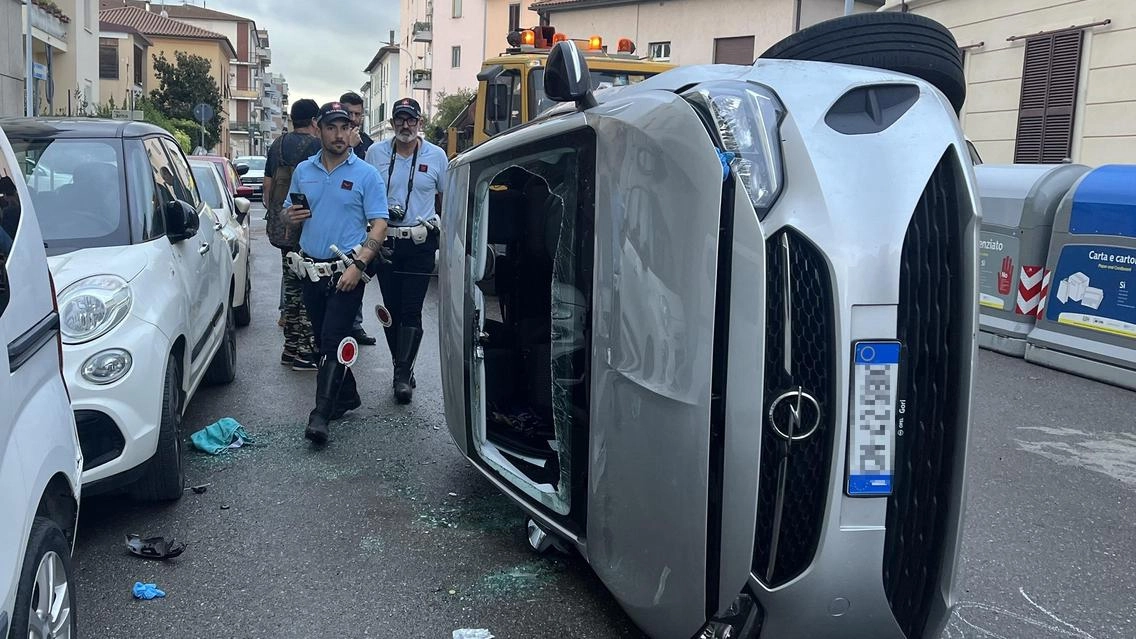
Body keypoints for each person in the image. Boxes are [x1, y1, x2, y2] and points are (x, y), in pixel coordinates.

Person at [284, 101, 389, 444]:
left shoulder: (366, 174)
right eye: (332, 127)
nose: (340, 134)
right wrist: (290, 217)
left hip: (347, 271)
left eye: (345, 127)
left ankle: (320, 415)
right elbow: (287, 210)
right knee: (321, 340)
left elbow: (379, 224)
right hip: (311, 271)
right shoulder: (304, 170)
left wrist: (359, 266)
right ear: (319, 129)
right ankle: (347, 396)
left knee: (331, 341)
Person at [365, 97, 447, 404]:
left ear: (420, 123)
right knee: (391, 311)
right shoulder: (374, 153)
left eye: (411, 119)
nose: (405, 125)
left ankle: (401, 374)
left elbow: (447, 197)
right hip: (385, 241)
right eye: (399, 119)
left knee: (411, 309)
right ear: (391, 123)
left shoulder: (436, 156)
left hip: (419, 243)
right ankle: (402, 363)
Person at [264, 98, 322, 372]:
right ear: (314, 121)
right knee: (307, 286)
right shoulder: (315, 146)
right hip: (307, 228)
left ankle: (289, 348)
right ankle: (304, 351)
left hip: (282, 227)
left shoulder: (277, 145)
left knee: (290, 285)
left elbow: (267, 190)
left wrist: (278, 214)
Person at [339, 91, 378, 346]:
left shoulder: (367, 142)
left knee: (359, 270)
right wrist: (349, 146)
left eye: (357, 114)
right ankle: (339, 327)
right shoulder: (336, 140)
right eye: (349, 114)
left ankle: (355, 325)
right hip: (340, 217)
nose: (354, 119)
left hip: (362, 218)